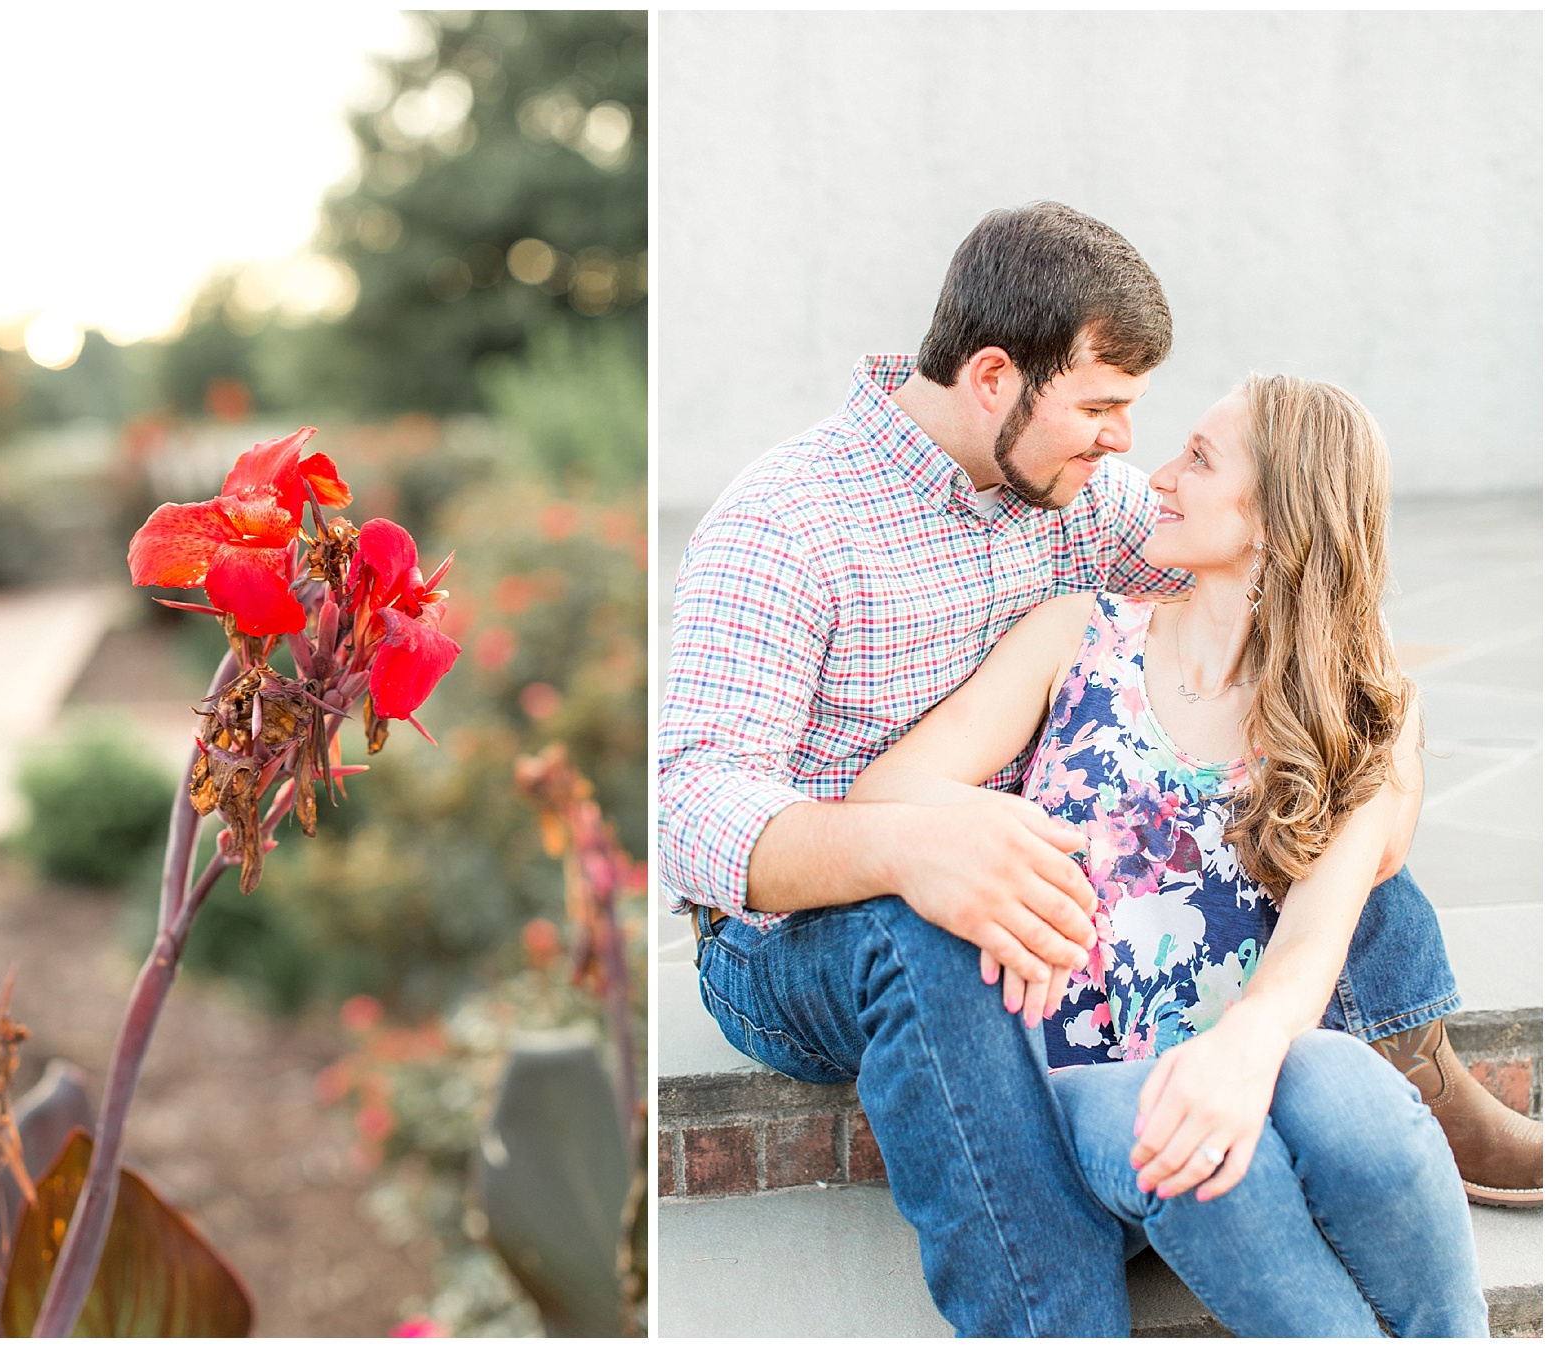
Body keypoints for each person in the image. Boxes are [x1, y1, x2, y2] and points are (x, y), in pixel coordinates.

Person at [659, 201, 1540, 1335]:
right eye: (1101, 406)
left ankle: (1412, 1070)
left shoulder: (1080, 492)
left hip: (1030, 862)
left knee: (1297, 783)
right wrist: (914, 849)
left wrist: (1386, 749)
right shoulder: (784, 522)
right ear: (994, 378)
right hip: (801, 930)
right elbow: (690, 810)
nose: (1127, 443)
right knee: (927, 933)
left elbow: (1304, 596)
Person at [844, 374, 1487, 1335]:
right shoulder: (1079, 636)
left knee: (1348, 1088)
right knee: (1193, 1145)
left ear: (1275, 518)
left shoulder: (1358, 714)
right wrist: (1001, 833)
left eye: (1199, 459)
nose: (1158, 476)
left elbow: (1315, 942)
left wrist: (1238, 1057)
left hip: (1231, 1066)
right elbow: (883, 795)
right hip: (1063, 1090)